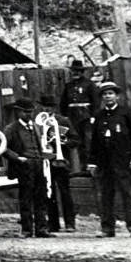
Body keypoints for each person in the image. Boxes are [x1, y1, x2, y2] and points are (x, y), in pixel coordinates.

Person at [88, 80, 131, 238]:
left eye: (111, 93)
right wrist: (92, 162)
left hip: (124, 162)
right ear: (102, 97)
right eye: (105, 94)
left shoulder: (126, 113)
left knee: (128, 194)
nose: (108, 97)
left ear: (117, 96)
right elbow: (94, 142)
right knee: (105, 195)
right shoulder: (99, 116)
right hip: (104, 163)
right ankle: (107, 228)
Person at [4, 98, 51, 238]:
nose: (29, 115)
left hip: (38, 164)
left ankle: (42, 228)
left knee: (41, 197)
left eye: (30, 112)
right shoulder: (11, 128)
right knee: (26, 199)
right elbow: (3, 147)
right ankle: (27, 230)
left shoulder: (35, 126)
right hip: (23, 166)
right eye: (25, 112)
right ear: (18, 112)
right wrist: (17, 158)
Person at [38, 94, 77, 233]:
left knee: (65, 192)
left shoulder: (63, 121)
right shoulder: (39, 121)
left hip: (61, 161)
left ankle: (70, 223)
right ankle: (53, 224)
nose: (46, 109)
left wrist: (63, 142)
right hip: (46, 162)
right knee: (49, 193)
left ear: (53, 108)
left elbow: (75, 140)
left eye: (49, 106)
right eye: (44, 106)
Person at [60, 59, 99, 175]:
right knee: (73, 141)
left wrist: (93, 117)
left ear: (82, 72)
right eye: (73, 71)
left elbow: (96, 102)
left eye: (78, 71)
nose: (75, 73)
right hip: (72, 117)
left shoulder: (89, 84)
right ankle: (75, 168)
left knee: (87, 142)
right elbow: (63, 103)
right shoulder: (68, 86)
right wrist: (64, 117)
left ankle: (88, 167)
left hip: (86, 117)